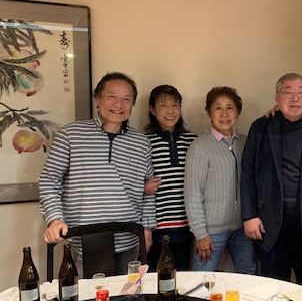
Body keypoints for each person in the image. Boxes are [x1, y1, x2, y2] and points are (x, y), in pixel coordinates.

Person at [40, 72, 156, 275]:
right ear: (97, 100)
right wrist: (55, 218)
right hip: (85, 239)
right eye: (112, 96)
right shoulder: (70, 135)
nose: (119, 104)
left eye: (126, 99)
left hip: (129, 237)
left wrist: (147, 228)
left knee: (130, 292)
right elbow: (50, 181)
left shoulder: (141, 143)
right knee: (91, 294)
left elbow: (148, 189)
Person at [241, 74, 302, 283]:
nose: (295, 98)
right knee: (273, 288)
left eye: (301, 93)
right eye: (288, 92)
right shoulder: (261, 127)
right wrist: (249, 215)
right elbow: (247, 173)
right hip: (270, 225)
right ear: (277, 97)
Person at [185, 86, 255, 273]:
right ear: (209, 113)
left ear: (237, 112)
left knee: (249, 277)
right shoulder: (200, 146)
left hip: (243, 227)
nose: (224, 114)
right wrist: (201, 233)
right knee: (203, 281)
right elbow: (193, 194)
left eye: (230, 107)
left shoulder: (246, 142)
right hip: (211, 231)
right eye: (218, 108)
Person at [144, 85, 198, 271]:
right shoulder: (145, 142)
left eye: (175, 105)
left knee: (182, 275)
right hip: (157, 226)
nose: (170, 111)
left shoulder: (192, 140)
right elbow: (137, 182)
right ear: (153, 110)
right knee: (156, 276)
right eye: (163, 105)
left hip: (186, 225)